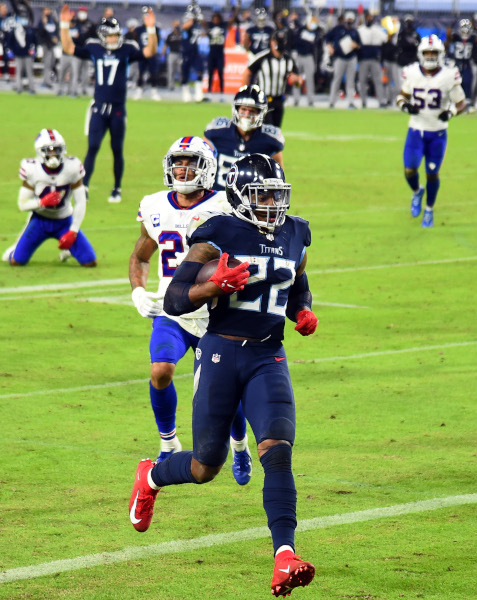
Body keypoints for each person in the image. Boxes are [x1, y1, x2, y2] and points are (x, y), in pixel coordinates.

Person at [129, 153, 318, 598]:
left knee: (277, 448)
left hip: (268, 357)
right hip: (221, 353)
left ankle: (284, 555)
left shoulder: (295, 232)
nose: (273, 203)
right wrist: (216, 286)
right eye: (264, 194)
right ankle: (151, 477)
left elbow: (296, 282)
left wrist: (303, 310)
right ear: (241, 196)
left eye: (278, 194)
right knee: (203, 466)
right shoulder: (218, 233)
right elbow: (176, 299)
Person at [130, 136, 254, 483]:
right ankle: (168, 443)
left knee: (222, 391)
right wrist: (138, 290)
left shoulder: (226, 206)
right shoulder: (154, 205)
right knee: (160, 371)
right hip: (173, 311)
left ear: (209, 167)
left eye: (191, 163)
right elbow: (141, 254)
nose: (183, 169)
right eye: (178, 162)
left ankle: (240, 446)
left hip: (215, 314)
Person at [59, 4, 157, 204]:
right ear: (103, 36)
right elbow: (68, 47)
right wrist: (64, 25)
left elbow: (149, 51)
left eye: (115, 35)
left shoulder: (127, 49)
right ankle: (83, 186)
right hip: (99, 107)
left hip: (118, 109)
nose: (114, 38)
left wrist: (151, 29)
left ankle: (117, 188)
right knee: (93, 146)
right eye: (110, 35)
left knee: (116, 149)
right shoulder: (94, 48)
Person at [396, 34, 466, 228]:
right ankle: (417, 191)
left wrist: (450, 112)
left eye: (433, 52)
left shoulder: (448, 75)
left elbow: (461, 103)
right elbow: (401, 97)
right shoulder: (412, 73)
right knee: (409, 169)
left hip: (438, 134)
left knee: (432, 174)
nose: (429, 56)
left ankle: (429, 209)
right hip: (416, 131)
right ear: (421, 54)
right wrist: (405, 106)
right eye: (426, 52)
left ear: (440, 54)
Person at [2, 129, 96, 267]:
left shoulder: (72, 167)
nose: (53, 154)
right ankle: (14, 250)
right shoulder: (32, 169)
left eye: (57, 150)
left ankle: (68, 251)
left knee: (90, 262)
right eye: (49, 150)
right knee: (16, 261)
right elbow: (22, 204)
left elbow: (80, 202)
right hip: (40, 221)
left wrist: (73, 231)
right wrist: (41, 202)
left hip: (64, 221)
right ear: (40, 152)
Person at [205, 84, 286, 190]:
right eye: (243, 110)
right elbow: (202, 167)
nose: (247, 115)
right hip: (218, 198)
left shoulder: (270, 141)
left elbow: (278, 179)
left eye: (252, 111)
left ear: (261, 113)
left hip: (251, 201)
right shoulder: (217, 132)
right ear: (236, 110)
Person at [243, 29, 302, 127]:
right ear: (272, 42)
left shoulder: (288, 60)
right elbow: (246, 73)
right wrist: (246, 94)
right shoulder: (263, 57)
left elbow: (297, 80)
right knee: (267, 129)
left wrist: (297, 81)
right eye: (277, 42)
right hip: (263, 100)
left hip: (279, 101)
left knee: (276, 131)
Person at [326, 11, 361, 109]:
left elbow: (359, 45)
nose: (349, 21)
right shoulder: (338, 29)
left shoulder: (354, 31)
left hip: (351, 58)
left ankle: (350, 102)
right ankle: (332, 102)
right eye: (348, 19)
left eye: (351, 20)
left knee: (350, 81)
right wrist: (330, 47)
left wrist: (356, 46)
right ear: (345, 19)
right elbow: (327, 38)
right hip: (340, 58)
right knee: (336, 79)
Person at [291, 13, 321, 107]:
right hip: (299, 56)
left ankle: (310, 100)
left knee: (310, 79)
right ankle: (296, 99)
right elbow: (296, 41)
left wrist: (305, 42)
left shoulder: (316, 33)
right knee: (297, 78)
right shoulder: (302, 29)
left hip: (308, 57)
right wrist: (307, 42)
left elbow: (313, 45)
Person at [357, 11, 385, 108]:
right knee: (362, 81)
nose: (369, 19)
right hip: (363, 59)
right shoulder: (360, 30)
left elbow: (385, 39)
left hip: (374, 59)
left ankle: (381, 101)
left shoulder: (377, 29)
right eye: (368, 17)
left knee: (378, 81)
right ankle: (363, 102)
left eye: (371, 17)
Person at [8, 0, 36, 93]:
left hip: (27, 54)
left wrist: (33, 50)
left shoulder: (30, 30)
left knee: (29, 72)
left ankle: (32, 88)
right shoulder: (16, 29)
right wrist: (11, 50)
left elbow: (35, 42)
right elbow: (10, 41)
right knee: (19, 72)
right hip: (18, 53)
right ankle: (19, 88)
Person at [179, 6, 205, 103]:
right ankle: (185, 93)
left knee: (200, 70)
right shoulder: (188, 19)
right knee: (185, 73)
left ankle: (198, 93)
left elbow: (204, 30)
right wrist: (193, 18)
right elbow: (185, 26)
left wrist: (199, 18)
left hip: (195, 51)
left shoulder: (197, 24)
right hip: (186, 51)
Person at [448, 19, 475, 105]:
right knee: (455, 82)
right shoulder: (456, 37)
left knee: (467, 82)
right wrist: (450, 26)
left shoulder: (472, 38)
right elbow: (449, 36)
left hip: (467, 63)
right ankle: (454, 101)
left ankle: (467, 102)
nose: (465, 31)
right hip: (457, 63)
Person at [37, 6, 60, 88]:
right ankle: (46, 82)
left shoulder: (52, 20)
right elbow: (40, 33)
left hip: (52, 45)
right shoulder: (42, 21)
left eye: (48, 9)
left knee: (52, 63)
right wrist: (43, 24)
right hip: (46, 45)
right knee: (47, 64)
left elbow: (56, 30)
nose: (47, 11)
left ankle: (49, 80)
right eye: (46, 10)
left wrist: (56, 38)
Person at [206, 12, 227, 93]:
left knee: (220, 72)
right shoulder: (210, 26)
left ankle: (222, 90)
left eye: (217, 19)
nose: (215, 20)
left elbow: (232, 21)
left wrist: (237, 9)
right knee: (210, 72)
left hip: (220, 53)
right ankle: (209, 89)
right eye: (214, 19)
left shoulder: (223, 26)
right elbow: (203, 23)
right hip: (212, 52)